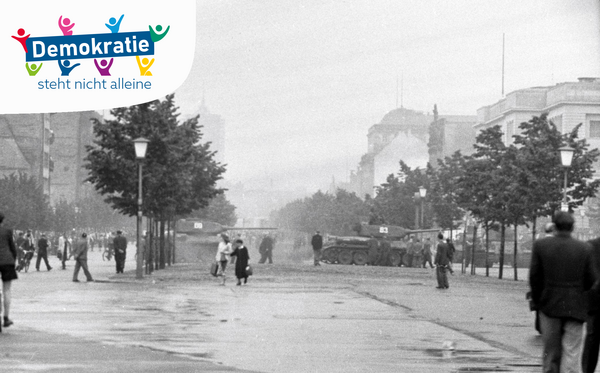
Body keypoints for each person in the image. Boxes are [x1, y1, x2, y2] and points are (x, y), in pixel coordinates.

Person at [529, 211, 595, 373]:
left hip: (549, 306)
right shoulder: (584, 248)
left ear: (554, 226)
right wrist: (580, 294)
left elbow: (535, 277)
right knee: (571, 352)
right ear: (572, 227)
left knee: (551, 352)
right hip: (575, 307)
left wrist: (539, 300)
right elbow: (591, 279)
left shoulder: (541, 246)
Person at [583, 233, 600, 373]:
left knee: (592, 338)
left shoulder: (590, 246)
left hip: (594, 300)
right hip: (595, 299)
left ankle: (587, 370)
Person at [0, 213, 18, 327]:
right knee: (6, 289)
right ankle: (6, 317)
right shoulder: (7, 231)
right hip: (7, 261)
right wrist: (14, 260)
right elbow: (12, 248)